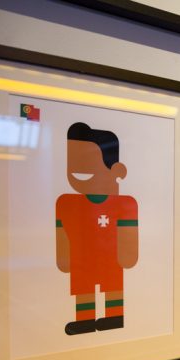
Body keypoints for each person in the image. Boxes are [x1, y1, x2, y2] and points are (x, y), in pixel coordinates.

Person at [56, 122, 138, 335]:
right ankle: (85, 320)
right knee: (83, 288)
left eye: (88, 161)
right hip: (80, 259)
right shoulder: (66, 203)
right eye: (74, 162)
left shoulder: (125, 203)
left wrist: (128, 255)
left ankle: (114, 316)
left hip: (111, 258)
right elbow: (61, 232)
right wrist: (63, 257)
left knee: (113, 286)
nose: (78, 171)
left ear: (117, 170)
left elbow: (128, 234)